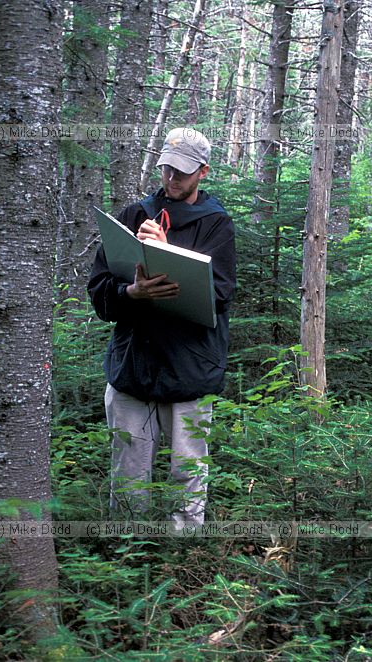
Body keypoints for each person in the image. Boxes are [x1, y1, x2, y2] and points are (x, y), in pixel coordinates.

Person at [88, 127, 236, 524]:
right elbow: (100, 290)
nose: (171, 179)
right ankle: (127, 558)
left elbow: (218, 295)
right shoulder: (134, 215)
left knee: (187, 473)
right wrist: (131, 293)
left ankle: (183, 557)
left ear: (203, 172)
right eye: (166, 169)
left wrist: (166, 252)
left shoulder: (216, 224)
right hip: (134, 365)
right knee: (128, 473)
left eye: (182, 172)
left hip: (191, 368)